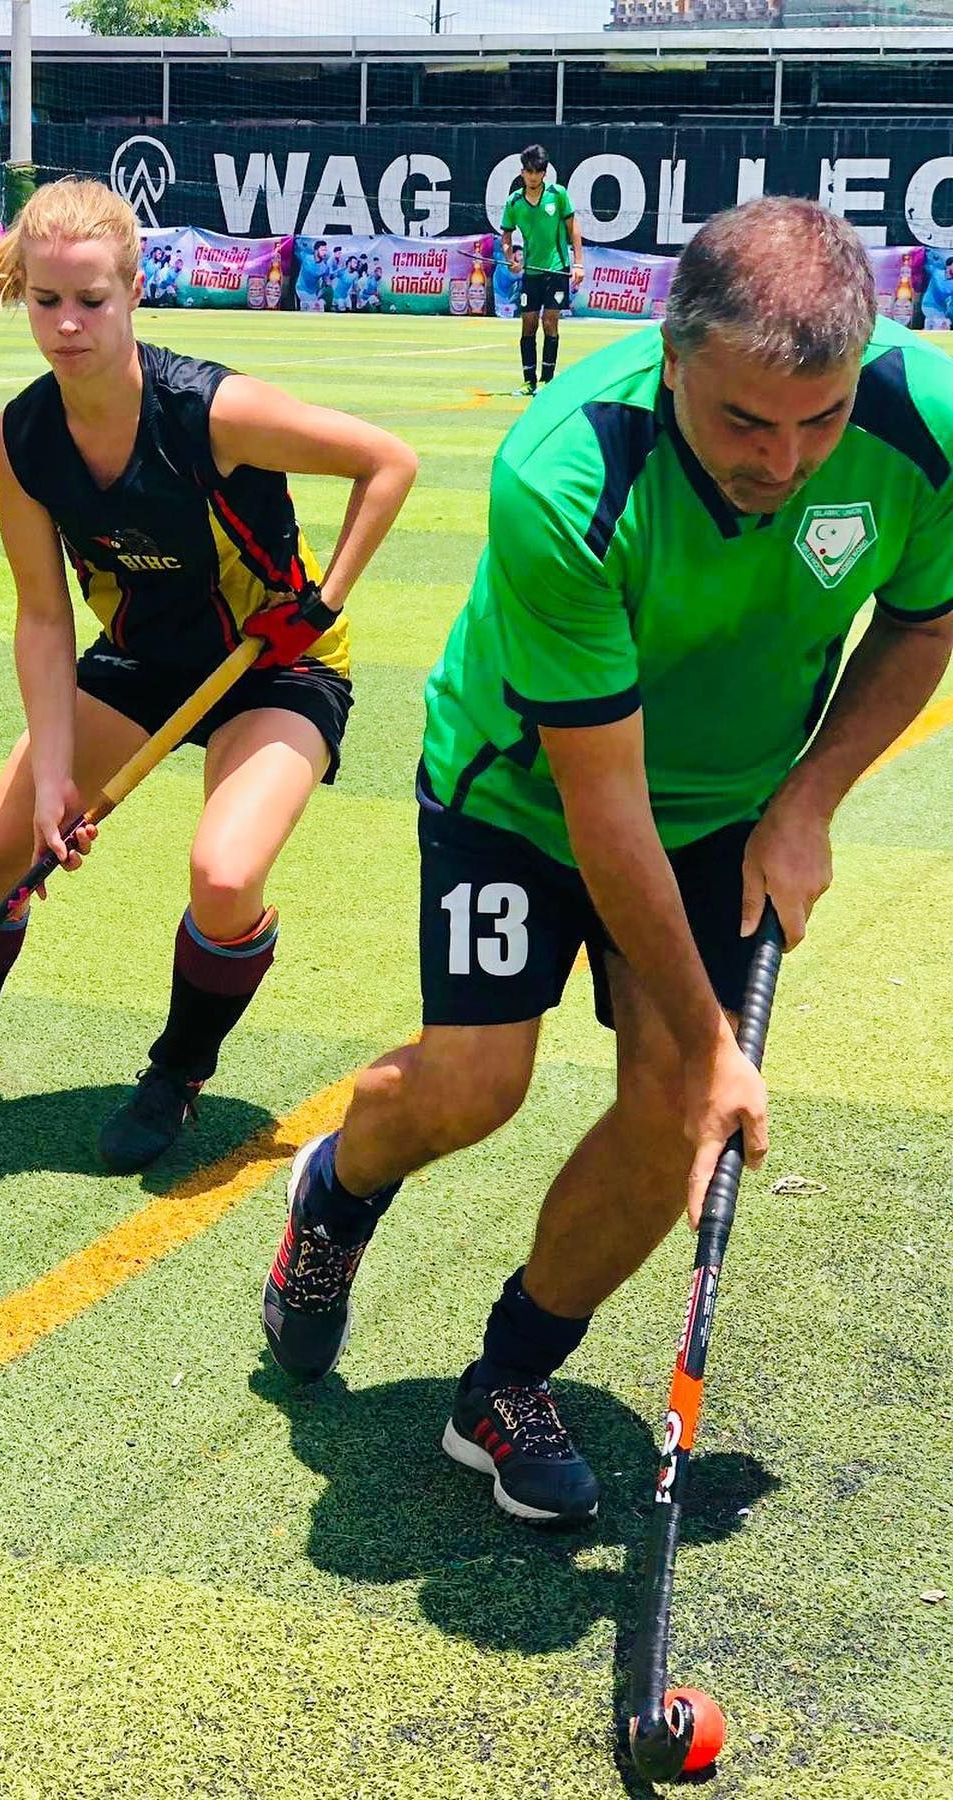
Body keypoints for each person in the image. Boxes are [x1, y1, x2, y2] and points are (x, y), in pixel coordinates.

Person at [262, 197, 953, 1526]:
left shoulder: (921, 423)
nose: (786, 460)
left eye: (817, 421)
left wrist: (807, 805)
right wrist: (712, 1038)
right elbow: (604, 804)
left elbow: (923, 627)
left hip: (729, 806)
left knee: (669, 1119)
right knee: (475, 1084)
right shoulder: (566, 473)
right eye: (746, 421)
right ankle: (335, 1194)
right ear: (673, 354)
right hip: (523, 793)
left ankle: (508, 1379)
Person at [0, 179, 418, 1177]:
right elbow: (42, 615)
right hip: (140, 662)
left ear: (134, 291)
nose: (68, 326)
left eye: (91, 302)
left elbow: (388, 463)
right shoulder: (22, 439)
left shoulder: (212, 409)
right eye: (46, 303)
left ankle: (176, 1073)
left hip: (274, 670)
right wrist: (53, 780)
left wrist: (321, 601)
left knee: (226, 875)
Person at [501, 144, 584, 397]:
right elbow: (506, 236)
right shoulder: (514, 202)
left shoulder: (558, 194)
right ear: (522, 173)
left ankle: (547, 381)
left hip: (558, 269)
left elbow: (573, 229)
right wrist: (511, 257)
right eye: (529, 172)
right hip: (531, 273)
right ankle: (529, 381)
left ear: (545, 173)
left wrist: (578, 263)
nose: (533, 176)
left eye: (538, 172)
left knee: (550, 322)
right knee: (527, 325)